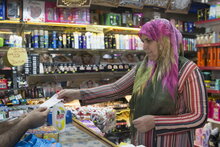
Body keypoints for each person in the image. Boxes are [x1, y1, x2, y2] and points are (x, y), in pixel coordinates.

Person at [57, 18, 207, 147]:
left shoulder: (188, 70)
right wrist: (78, 93)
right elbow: (116, 88)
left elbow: (199, 116)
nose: (144, 47)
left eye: (149, 41)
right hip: (141, 141)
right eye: (143, 41)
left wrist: (157, 122)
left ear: (165, 41)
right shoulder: (143, 68)